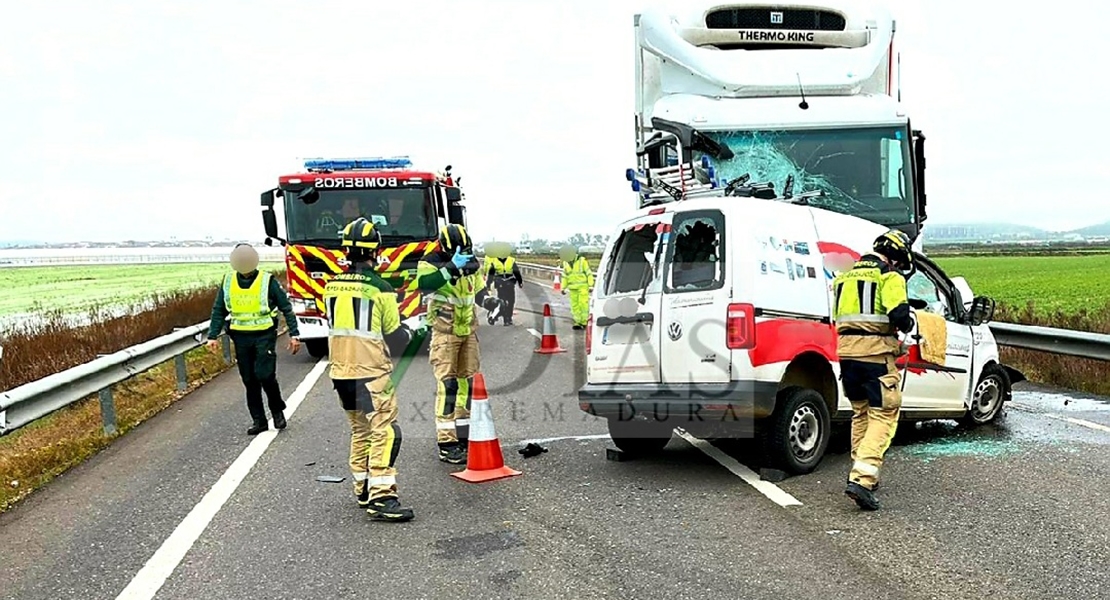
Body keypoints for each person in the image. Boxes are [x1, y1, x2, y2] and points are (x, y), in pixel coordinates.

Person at [322, 217, 415, 522]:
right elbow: (394, 335)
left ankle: (362, 488)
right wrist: (414, 332)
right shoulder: (380, 288)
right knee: (386, 432)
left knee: (359, 430)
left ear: (346, 250)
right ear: (375, 250)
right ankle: (382, 497)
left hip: (340, 373)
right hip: (372, 373)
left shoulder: (331, 286)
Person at [831, 229, 915, 511]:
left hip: (847, 355)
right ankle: (862, 479)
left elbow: (839, 319)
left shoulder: (843, 279)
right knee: (884, 415)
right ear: (896, 256)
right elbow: (900, 317)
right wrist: (909, 327)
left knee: (861, 412)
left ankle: (861, 468)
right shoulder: (889, 277)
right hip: (876, 357)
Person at [205, 243, 301, 435]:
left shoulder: (267, 281)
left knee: (265, 375)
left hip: (264, 336)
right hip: (240, 338)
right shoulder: (228, 281)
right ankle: (259, 420)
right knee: (249, 380)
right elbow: (219, 310)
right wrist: (212, 335)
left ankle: (277, 411)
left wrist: (294, 333)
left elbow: (286, 307)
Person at [415, 224, 483, 464]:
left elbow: (479, 290)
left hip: (468, 332)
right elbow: (424, 284)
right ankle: (447, 441)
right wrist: (450, 268)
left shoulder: (471, 261)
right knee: (448, 385)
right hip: (445, 332)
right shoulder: (430, 262)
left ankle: (463, 435)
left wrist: (493, 302)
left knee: (467, 383)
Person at [484, 248, 523, 326]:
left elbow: (516, 271)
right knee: (503, 302)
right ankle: (506, 319)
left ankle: (508, 316)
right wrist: (488, 284)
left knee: (511, 301)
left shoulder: (511, 260)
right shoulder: (494, 262)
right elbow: (491, 274)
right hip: (500, 284)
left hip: (510, 283)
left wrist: (520, 281)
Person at [559, 246, 594, 330]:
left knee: (583, 304)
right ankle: (577, 322)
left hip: (583, 287)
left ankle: (584, 322)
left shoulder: (582, 261)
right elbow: (565, 276)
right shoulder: (565, 263)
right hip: (572, 288)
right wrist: (563, 287)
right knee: (574, 305)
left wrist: (590, 285)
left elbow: (589, 273)